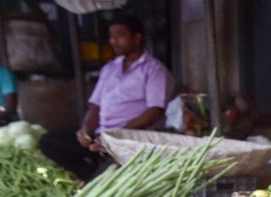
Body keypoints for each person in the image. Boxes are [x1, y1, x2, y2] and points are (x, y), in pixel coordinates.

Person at [39, 13, 173, 180]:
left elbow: (155, 111)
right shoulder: (110, 68)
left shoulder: (154, 69)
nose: (114, 40)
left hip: (130, 138)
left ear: (137, 38)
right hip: (101, 134)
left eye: (120, 35)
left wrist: (117, 135)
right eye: (111, 36)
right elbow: (95, 106)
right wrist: (86, 130)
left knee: (111, 173)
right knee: (49, 142)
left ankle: (97, 180)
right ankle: (90, 178)